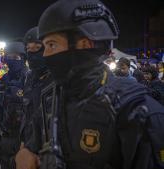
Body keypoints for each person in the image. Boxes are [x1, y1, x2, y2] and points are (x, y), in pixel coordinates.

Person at [17, 0, 164, 169]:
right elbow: (29, 146)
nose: (46, 54)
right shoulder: (52, 99)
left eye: (52, 45)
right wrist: (26, 153)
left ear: (84, 44)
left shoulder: (136, 112)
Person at [0, 41, 27, 169]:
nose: (12, 60)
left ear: (23, 59)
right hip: (5, 138)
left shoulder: (31, 80)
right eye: (9, 57)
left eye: (16, 57)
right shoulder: (3, 82)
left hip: (26, 140)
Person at [15, 26, 53, 169]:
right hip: (30, 148)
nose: (32, 52)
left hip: (51, 152)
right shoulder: (30, 77)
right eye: (29, 49)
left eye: (37, 47)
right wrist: (24, 143)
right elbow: (27, 112)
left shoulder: (59, 79)